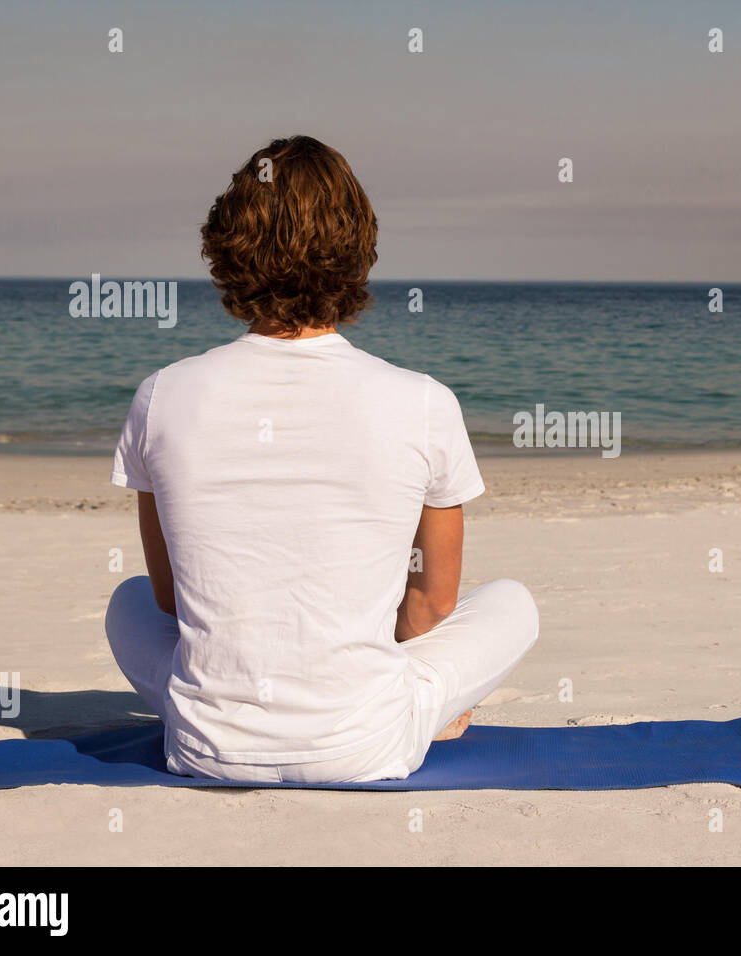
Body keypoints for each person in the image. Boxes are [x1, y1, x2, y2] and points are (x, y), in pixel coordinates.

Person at [104, 135, 539, 784]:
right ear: (357, 247)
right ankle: (427, 713)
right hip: (364, 746)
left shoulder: (163, 396)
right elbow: (431, 607)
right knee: (513, 604)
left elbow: (170, 601)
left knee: (128, 601)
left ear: (228, 248)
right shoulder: (421, 401)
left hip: (207, 749)